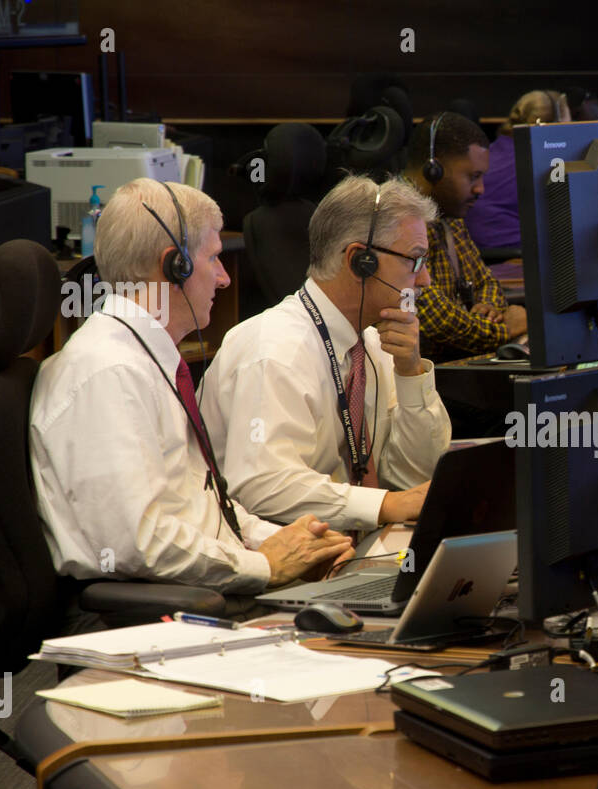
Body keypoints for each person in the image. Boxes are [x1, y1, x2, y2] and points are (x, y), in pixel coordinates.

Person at [30, 178, 354, 594]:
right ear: (174, 265)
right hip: (146, 616)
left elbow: (196, 505)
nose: (224, 279)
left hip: (197, 587)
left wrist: (280, 540)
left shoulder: (145, 359)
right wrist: (261, 565)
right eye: (214, 259)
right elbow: (137, 542)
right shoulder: (108, 375)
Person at [200, 176, 451, 532]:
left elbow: (418, 476)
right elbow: (263, 485)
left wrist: (410, 374)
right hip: (276, 561)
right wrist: (386, 504)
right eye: (414, 260)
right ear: (359, 261)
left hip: (350, 547)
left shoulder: (375, 345)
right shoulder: (274, 349)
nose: (425, 279)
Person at [402, 111, 527, 362]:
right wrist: (504, 329)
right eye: (473, 177)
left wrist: (490, 309)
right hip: (428, 374)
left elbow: (486, 282)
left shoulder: (449, 217)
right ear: (433, 169)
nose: (480, 189)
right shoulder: (398, 223)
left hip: (462, 360)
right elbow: (435, 319)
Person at [464, 90, 570, 250]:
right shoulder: (544, 164)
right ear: (552, 128)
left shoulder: (489, 152)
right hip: (516, 258)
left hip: (478, 254)